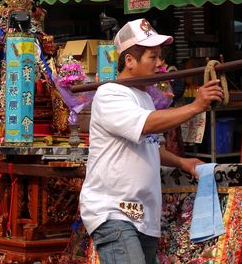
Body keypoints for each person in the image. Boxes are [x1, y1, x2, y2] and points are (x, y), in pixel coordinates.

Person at [79, 18, 224, 264]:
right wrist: (195, 106)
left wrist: (181, 162)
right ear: (130, 61)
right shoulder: (110, 94)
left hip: (142, 215)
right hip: (114, 211)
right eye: (153, 57)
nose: (160, 63)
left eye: (160, 56)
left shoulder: (143, 98)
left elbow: (150, 146)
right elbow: (146, 124)